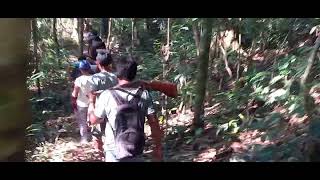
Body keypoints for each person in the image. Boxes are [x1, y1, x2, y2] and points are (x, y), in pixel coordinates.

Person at [89, 56, 163, 162]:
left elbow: (94, 120)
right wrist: (158, 146)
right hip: (135, 147)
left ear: (117, 73)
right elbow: (153, 122)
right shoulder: (144, 94)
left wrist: (91, 103)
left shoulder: (106, 95)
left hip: (113, 148)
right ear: (134, 74)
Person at [88, 50, 118, 151]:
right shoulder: (115, 77)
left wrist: (91, 106)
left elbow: (92, 93)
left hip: (99, 109)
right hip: (113, 109)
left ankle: (100, 153)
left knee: (96, 133)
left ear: (97, 62)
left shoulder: (95, 78)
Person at [71, 60, 93, 144]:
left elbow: (75, 93)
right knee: (92, 121)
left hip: (81, 104)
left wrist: (73, 101)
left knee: (82, 122)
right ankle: (93, 137)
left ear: (80, 69)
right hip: (92, 104)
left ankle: (84, 139)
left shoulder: (79, 80)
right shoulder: (94, 78)